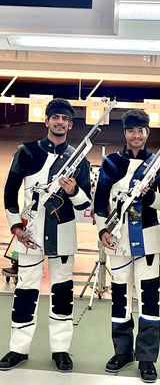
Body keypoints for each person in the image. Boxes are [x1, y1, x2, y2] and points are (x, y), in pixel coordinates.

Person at [1, 98, 91, 372]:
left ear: (70, 124)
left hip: (63, 234)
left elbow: (85, 203)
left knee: (63, 291)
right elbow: (9, 193)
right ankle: (18, 348)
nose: (60, 122)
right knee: (25, 290)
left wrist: (74, 191)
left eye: (65, 118)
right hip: (30, 233)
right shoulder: (26, 152)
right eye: (55, 117)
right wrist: (16, 227)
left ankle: (61, 350)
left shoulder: (78, 158)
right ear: (47, 121)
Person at [93, 109, 160, 383]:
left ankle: (147, 358)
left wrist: (150, 196)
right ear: (125, 133)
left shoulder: (159, 162)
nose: (136, 135)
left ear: (147, 133)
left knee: (149, 300)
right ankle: (122, 352)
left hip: (149, 242)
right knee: (120, 299)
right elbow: (99, 203)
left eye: (141, 130)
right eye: (131, 130)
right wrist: (102, 231)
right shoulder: (110, 162)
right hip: (117, 241)